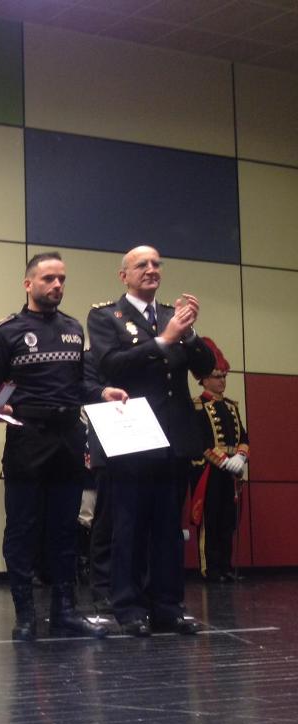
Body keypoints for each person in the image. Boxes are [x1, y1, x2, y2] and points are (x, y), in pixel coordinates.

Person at [0, 252, 120, 641]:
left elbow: (82, 385)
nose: (57, 285)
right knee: (23, 527)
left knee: (65, 528)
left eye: (61, 279)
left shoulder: (75, 329)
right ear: (29, 284)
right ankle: (25, 614)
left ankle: (64, 611)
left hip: (69, 435)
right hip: (28, 436)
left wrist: (102, 391)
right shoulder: (6, 330)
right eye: (48, 279)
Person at [85, 245, 214, 637]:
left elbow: (207, 370)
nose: (151, 269)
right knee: (129, 524)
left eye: (157, 263)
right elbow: (110, 365)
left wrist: (187, 335)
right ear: (123, 275)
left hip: (173, 437)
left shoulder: (170, 317)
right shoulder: (106, 315)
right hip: (132, 434)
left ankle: (168, 606)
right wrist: (162, 341)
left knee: (167, 528)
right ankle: (128, 606)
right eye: (142, 264)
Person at [188, 337, 249, 582]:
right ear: (204, 378)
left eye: (224, 376)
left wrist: (241, 457)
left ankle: (225, 567)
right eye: (217, 376)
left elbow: (243, 436)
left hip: (231, 471)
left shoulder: (232, 407)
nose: (222, 381)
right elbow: (199, 442)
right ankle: (209, 569)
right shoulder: (197, 406)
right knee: (209, 520)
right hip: (209, 471)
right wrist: (223, 460)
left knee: (227, 521)